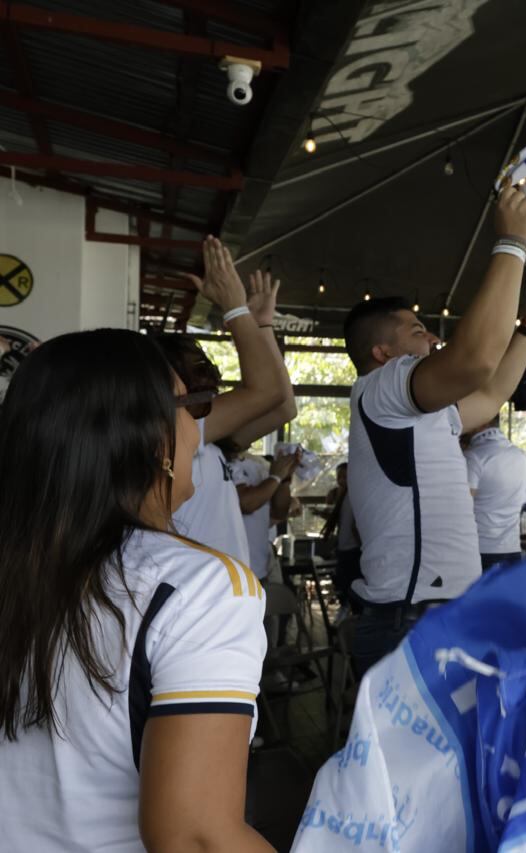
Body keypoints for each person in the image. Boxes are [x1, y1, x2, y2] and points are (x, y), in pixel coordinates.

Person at [0, 329, 271, 851]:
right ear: (153, 440)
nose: (197, 428)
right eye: (189, 406)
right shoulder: (199, 589)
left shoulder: (20, 569)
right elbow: (196, 838)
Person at [342, 184, 526, 677]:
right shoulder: (381, 387)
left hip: (429, 614)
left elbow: (491, 393)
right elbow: (474, 360)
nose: (433, 337)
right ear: (382, 353)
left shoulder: (418, 410)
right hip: (413, 619)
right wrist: (512, 244)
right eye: (418, 330)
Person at [158, 242, 295, 563]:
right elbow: (268, 392)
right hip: (199, 587)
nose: (208, 369)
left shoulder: (207, 438)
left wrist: (262, 325)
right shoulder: (176, 428)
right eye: (195, 364)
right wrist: (235, 309)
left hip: (228, 584)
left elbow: (283, 408)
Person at [464, 415, 526, 569]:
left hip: (480, 550)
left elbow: (461, 508)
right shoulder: (520, 456)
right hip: (512, 548)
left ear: (483, 422)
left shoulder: (474, 457)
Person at [229, 446, 301, 581]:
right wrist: (276, 476)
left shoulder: (258, 466)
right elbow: (247, 503)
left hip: (259, 569)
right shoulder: (223, 461)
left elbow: (279, 512)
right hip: (232, 571)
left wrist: (285, 478)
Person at [322, 462, 362, 601]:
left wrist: (363, 547)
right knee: (344, 583)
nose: (341, 480)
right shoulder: (342, 495)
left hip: (353, 549)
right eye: (339, 477)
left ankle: (348, 607)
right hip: (344, 547)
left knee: (349, 584)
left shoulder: (355, 495)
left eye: (345, 476)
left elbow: (355, 526)